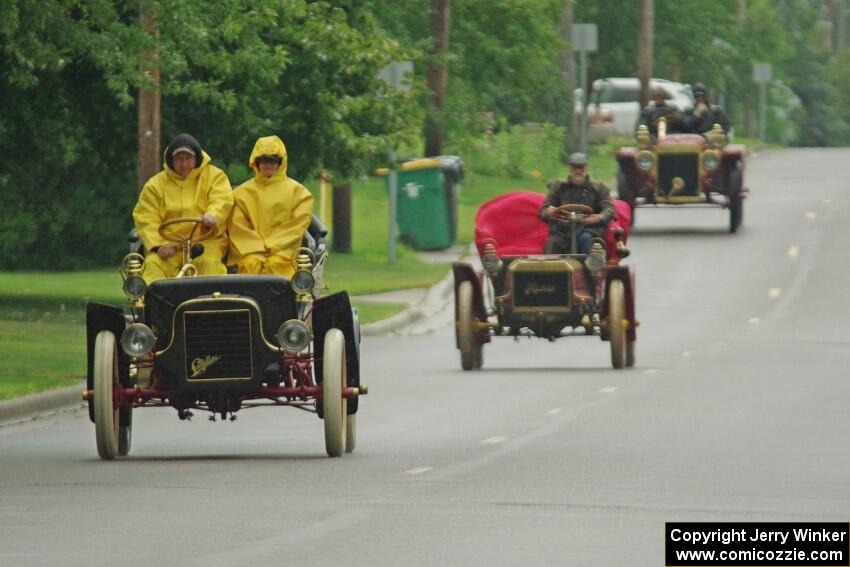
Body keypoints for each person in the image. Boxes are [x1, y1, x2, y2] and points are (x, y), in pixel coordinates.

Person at [133, 133, 234, 283]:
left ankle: (211, 305)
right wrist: (158, 245)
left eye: (188, 158)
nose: (183, 163)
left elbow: (221, 200)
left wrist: (213, 215)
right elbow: (146, 217)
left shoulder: (215, 177)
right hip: (169, 248)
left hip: (205, 245)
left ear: (197, 159)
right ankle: (154, 306)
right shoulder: (155, 185)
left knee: (210, 264)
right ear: (171, 160)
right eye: (179, 159)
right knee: (153, 265)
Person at [227, 135, 314, 277]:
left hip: (284, 253)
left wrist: (272, 245)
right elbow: (238, 226)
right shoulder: (240, 194)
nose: (268, 165)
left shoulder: (300, 193)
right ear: (256, 163)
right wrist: (256, 248)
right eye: (264, 160)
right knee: (250, 264)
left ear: (281, 163)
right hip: (250, 252)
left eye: (273, 161)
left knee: (276, 264)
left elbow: (296, 226)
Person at [539, 152, 615, 255]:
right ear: (570, 169)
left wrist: (600, 217)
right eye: (575, 167)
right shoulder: (558, 188)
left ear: (586, 169)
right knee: (552, 243)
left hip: (589, 229)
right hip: (563, 231)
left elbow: (609, 208)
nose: (578, 171)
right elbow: (543, 210)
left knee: (586, 239)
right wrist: (549, 211)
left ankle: (589, 270)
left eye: (581, 168)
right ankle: (552, 270)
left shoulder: (599, 188)